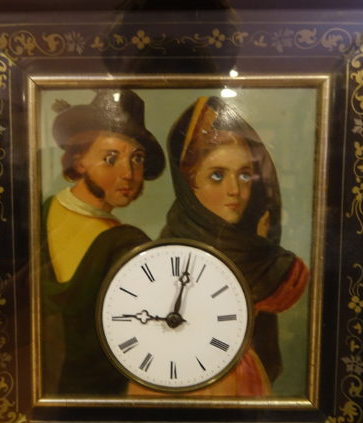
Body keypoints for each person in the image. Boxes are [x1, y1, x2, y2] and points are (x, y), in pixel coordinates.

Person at [129, 96, 308, 397]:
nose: (235, 190)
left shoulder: (260, 254)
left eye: (245, 175)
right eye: (217, 175)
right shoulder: (167, 255)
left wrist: (258, 248)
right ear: (189, 183)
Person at [40, 89, 165, 395]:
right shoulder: (127, 244)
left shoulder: (44, 209)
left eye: (137, 159)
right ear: (79, 160)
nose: (128, 173)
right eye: (111, 158)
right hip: (81, 390)